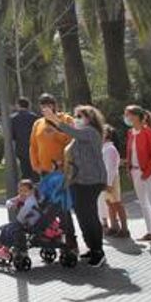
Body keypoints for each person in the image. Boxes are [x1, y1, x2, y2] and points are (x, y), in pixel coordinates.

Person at [49, 105, 109, 266]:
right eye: (75, 115)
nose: (76, 119)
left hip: (92, 181)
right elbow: (75, 158)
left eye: (80, 116)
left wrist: (54, 119)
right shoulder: (78, 138)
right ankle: (91, 247)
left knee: (89, 215)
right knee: (82, 215)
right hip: (78, 181)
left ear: (90, 119)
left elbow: (72, 132)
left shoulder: (90, 132)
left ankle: (98, 250)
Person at [124, 106, 151, 243]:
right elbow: (130, 153)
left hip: (150, 173)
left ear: (136, 116)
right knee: (143, 203)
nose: (126, 118)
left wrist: (146, 173)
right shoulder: (130, 132)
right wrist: (129, 169)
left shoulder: (149, 132)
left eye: (128, 114)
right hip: (136, 172)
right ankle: (150, 231)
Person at [0, 179, 42, 259]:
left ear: (31, 191)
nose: (22, 193)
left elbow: (21, 217)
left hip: (31, 224)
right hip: (24, 222)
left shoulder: (30, 202)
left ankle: (5, 250)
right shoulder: (23, 197)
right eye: (20, 190)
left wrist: (16, 206)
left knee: (11, 228)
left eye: (25, 191)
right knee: (5, 227)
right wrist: (11, 204)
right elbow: (10, 201)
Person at [29, 94, 73, 177]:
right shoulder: (38, 123)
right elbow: (33, 146)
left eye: (49, 105)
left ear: (54, 106)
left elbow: (72, 141)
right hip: (44, 170)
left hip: (63, 168)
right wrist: (35, 166)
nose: (46, 108)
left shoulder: (66, 119)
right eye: (43, 106)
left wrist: (56, 133)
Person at [99, 124, 127, 238]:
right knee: (109, 204)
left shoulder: (110, 149)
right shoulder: (104, 148)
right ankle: (114, 226)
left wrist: (109, 184)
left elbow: (110, 168)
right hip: (105, 180)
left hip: (111, 180)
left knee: (117, 204)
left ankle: (124, 229)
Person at [8, 98, 38, 182]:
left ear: (18, 105)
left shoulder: (13, 118)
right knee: (35, 171)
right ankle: (36, 190)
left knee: (25, 171)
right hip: (33, 147)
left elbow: (12, 135)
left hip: (20, 147)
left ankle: (26, 190)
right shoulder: (34, 117)